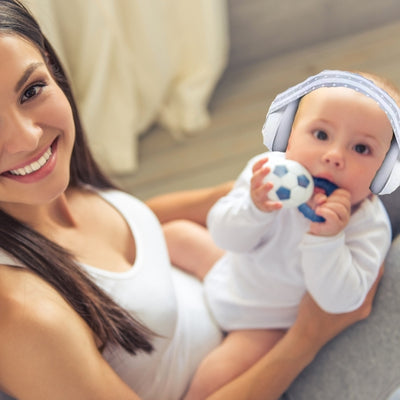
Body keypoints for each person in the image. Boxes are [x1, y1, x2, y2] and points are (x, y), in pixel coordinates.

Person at [0, 1, 386, 399]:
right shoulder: (24, 316)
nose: (27, 138)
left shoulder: (49, 188)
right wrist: (306, 338)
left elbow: (132, 222)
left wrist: (236, 196)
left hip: (224, 284)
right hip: (266, 360)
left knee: (368, 165)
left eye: (30, 90)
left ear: (50, 67)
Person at [163, 69, 400, 399]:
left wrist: (327, 238)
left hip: (267, 323)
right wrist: (255, 207)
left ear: (384, 174)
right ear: (288, 138)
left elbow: (341, 301)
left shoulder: (368, 225)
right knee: (173, 234)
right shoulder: (267, 173)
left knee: (212, 380)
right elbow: (225, 237)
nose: (334, 156)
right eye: (320, 134)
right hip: (230, 269)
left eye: (361, 149)